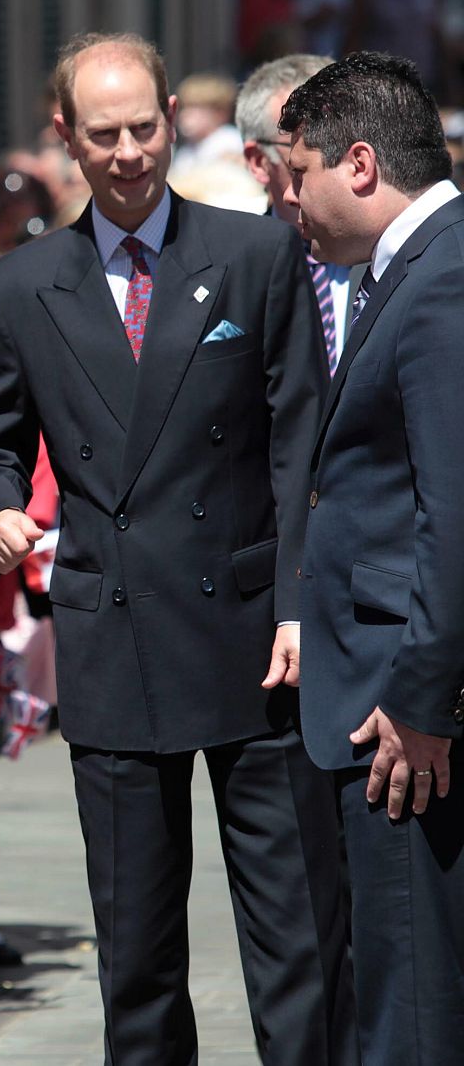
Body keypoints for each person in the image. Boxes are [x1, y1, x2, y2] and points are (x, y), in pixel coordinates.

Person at [0, 32, 355, 1064]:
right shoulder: (17, 285)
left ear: (170, 115)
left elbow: (298, 439)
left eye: (144, 127)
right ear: (63, 138)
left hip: (256, 631)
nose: (129, 152)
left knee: (294, 929)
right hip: (111, 631)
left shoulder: (257, 253)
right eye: (104, 134)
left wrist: (300, 601)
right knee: (134, 945)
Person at [282, 51, 464, 1061]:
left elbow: (455, 507)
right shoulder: (418, 265)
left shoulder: (441, 275)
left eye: (294, 168)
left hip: (406, 726)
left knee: (413, 1004)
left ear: (356, 164)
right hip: (392, 699)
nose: (288, 196)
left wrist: (425, 701)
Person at [236, 54, 361, 375]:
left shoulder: (389, 255)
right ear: (258, 161)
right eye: (303, 150)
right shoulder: (235, 271)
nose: (336, 165)